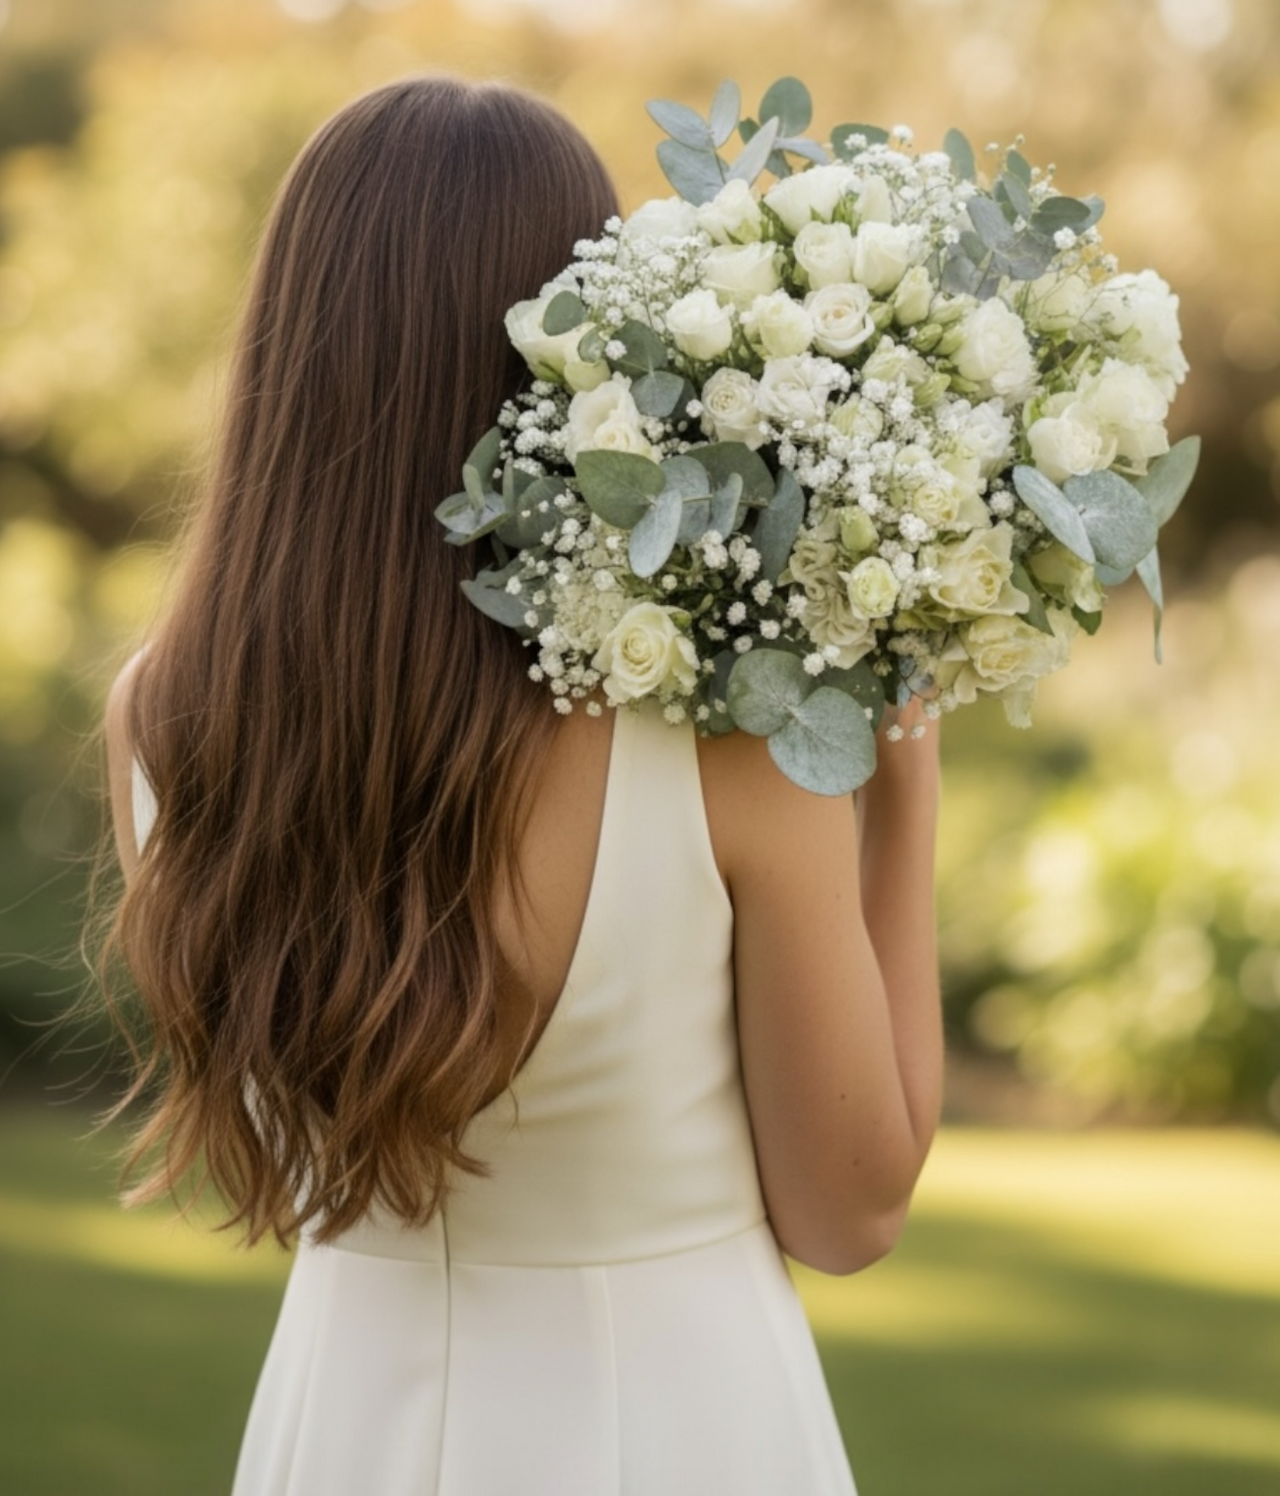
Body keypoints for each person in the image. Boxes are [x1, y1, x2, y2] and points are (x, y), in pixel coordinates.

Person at [103, 75, 942, 1495]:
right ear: (578, 336)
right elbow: (851, 1206)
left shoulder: (165, 716)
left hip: (342, 1415)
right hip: (684, 1424)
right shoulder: (724, 728)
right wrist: (903, 791)